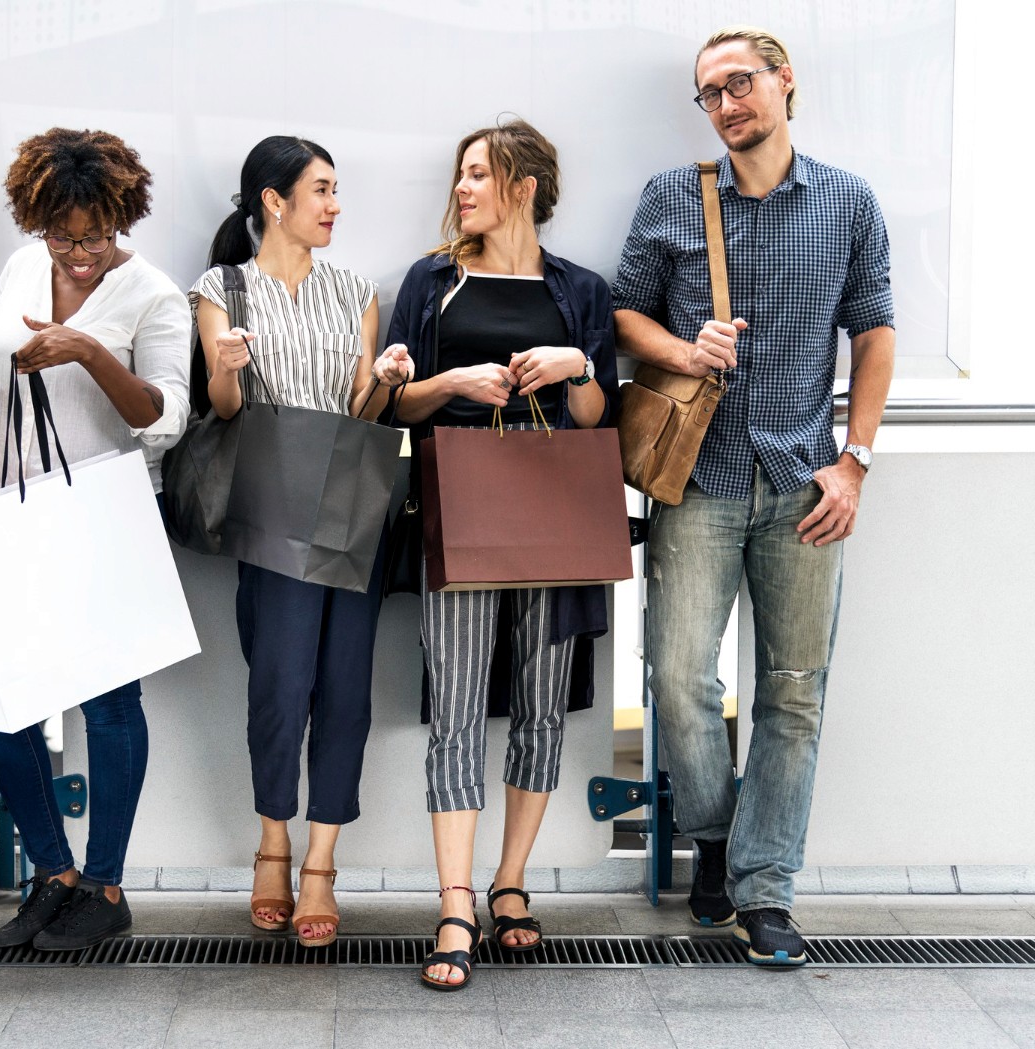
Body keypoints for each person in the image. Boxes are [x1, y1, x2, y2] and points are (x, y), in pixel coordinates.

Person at [612, 25, 895, 966]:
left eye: (741, 84)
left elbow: (875, 333)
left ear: (784, 84)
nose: (727, 103)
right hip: (697, 476)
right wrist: (684, 349)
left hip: (805, 477)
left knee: (794, 691)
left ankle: (763, 890)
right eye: (710, 93)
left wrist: (854, 459)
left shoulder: (849, 202)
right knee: (680, 678)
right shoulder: (671, 197)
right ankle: (717, 837)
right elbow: (623, 313)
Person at [378, 119, 620, 991]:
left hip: (556, 514)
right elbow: (393, 404)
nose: (464, 188)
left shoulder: (580, 289)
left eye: (480, 174)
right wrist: (450, 384)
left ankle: (510, 881)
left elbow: (599, 421)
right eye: (461, 174)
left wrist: (574, 368)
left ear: (525, 185)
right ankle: (453, 901)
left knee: (543, 705)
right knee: (454, 705)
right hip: (460, 508)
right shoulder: (431, 281)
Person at [0, 128, 190, 952]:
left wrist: (85, 348)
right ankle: (56, 875)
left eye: (93, 236)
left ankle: (106, 884)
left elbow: (166, 416)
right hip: (16, 514)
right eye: (61, 235)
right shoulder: (23, 265)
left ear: (122, 217)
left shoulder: (154, 294)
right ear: (36, 220)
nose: (77, 253)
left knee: (109, 704)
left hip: (104, 520)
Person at [191, 135, 399, 948]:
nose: (335, 205)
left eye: (337, 191)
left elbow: (363, 411)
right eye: (322, 190)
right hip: (273, 500)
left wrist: (384, 377)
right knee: (279, 682)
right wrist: (230, 367)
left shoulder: (355, 288)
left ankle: (321, 863)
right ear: (273, 201)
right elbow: (226, 407)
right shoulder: (223, 288)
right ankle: (271, 844)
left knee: (345, 685)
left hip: (350, 501)